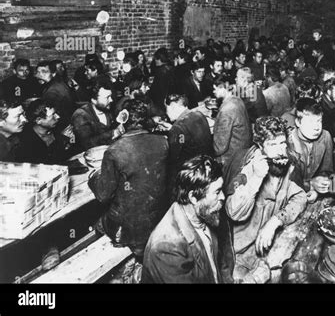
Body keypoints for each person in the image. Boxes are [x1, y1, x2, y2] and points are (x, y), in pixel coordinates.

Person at [224, 116, 307, 283]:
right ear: (260, 146)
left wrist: (276, 220)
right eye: (272, 144)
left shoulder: (285, 164)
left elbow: (300, 196)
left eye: (282, 143)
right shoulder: (246, 169)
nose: (280, 150)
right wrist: (256, 178)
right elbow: (233, 213)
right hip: (238, 256)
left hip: (267, 247)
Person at [89, 99, 169, 261]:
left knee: (95, 224)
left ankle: (113, 262)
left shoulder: (114, 151)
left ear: (122, 121)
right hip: (158, 216)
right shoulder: (163, 142)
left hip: (129, 227)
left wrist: (93, 176)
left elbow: (103, 195)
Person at [142, 155, 234, 283]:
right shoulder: (166, 246)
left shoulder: (205, 214)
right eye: (217, 192)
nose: (223, 197)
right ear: (193, 198)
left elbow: (218, 267)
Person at [287, 98, 333, 199]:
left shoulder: (325, 136)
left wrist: (318, 189)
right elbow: (289, 183)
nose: (316, 127)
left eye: (319, 121)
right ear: (298, 123)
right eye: (310, 122)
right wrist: (312, 185)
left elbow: (327, 171)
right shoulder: (288, 143)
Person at [164, 94, 213, 184]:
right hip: (204, 168)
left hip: (189, 174)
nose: (166, 113)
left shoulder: (178, 127)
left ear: (173, 106)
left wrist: (172, 133)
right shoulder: (199, 115)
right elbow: (185, 138)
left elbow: (173, 158)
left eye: (166, 108)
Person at [71, 80, 125, 151]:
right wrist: (113, 133)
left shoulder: (108, 109)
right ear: (94, 100)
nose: (111, 100)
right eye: (107, 97)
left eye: (111, 96)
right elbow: (87, 144)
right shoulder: (81, 115)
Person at [18, 99, 74, 165]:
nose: (58, 117)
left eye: (56, 113)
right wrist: (62, 141)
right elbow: (49, 164)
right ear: (38, 120)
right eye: (53, 115)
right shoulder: (28, 141)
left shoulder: (57, 128)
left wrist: (69, 141)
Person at [213, 80, 252, 168]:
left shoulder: (226, 110)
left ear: (224, 89)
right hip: (242, 150)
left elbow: (220, 147)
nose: (213, 91)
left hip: (230, 158)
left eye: (216, 89)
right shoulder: (237, 100)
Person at [36, 61, 76, 129]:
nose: (39, 75)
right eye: (38, 72)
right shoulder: (58, 82)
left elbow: (47, 116)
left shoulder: (52, 91)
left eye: (44, 72)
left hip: (61, 126)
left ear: (53, 73)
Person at [150, 48, 175, 113]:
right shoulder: (171, 67)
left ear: (159, 59)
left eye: (155, 59)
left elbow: (156, 89)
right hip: (169, 98)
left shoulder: (160, 71)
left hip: (160, 100)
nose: (154, 61)